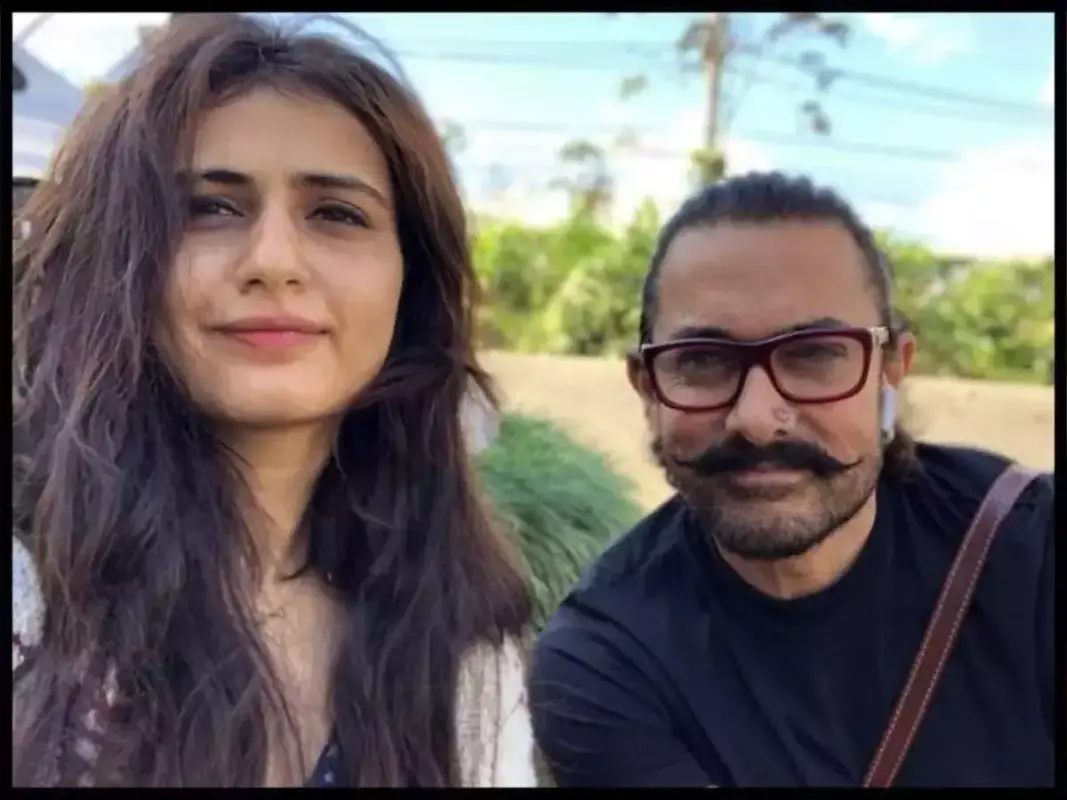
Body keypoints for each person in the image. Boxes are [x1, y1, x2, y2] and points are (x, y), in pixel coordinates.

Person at [12, 14, 537, 788]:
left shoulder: (462, 638)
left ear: (410, 281)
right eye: (210, 208)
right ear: (117, 260)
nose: (273, 261)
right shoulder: (29, 597)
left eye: (336, 214)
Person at [529, 172, 1054, 787]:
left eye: (814, 354)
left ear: (890, 370)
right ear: (648, 388)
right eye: (702, 361)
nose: (756, 419)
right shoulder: (606, 662)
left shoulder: (1034, 551)